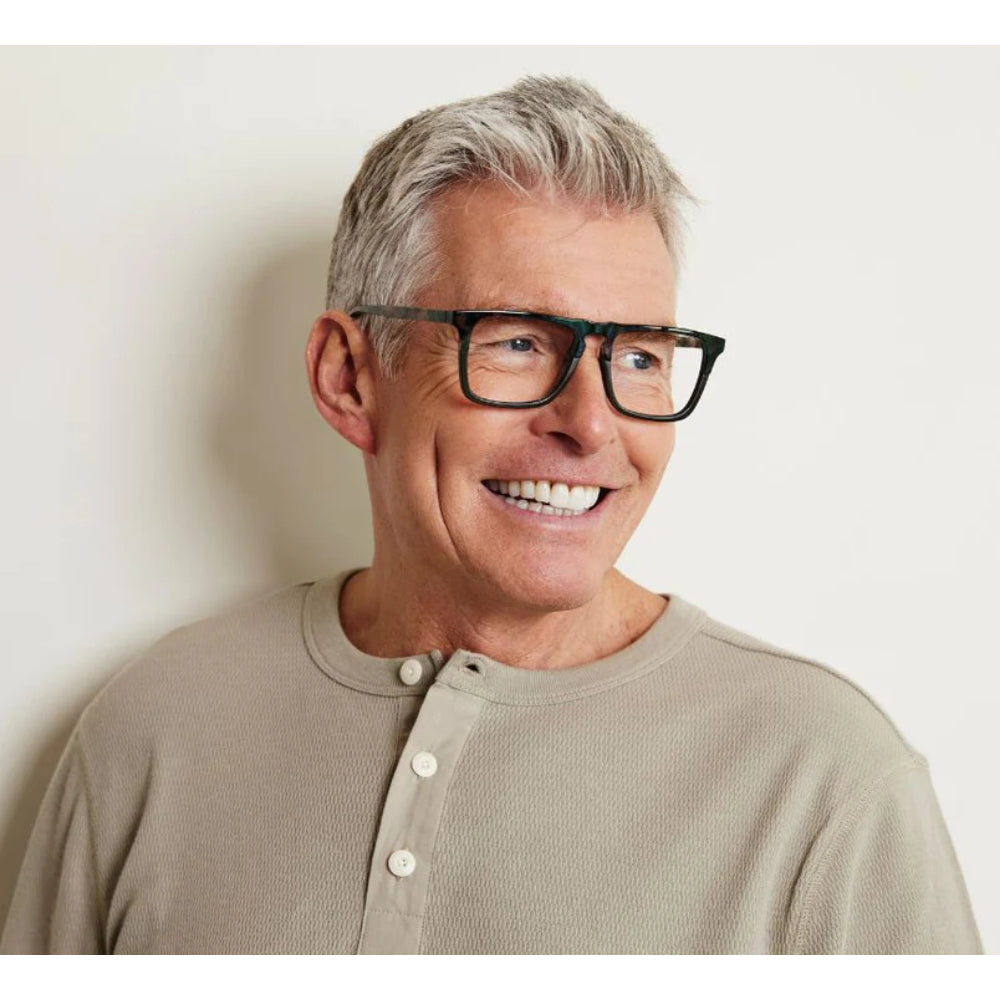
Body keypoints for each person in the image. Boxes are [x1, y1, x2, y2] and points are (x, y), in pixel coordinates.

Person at [1, 76, 982, 955]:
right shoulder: (156, 729)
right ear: (349, 377)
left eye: (638, 357)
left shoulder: (824, 783)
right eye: (516, 342)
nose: (591, 424)